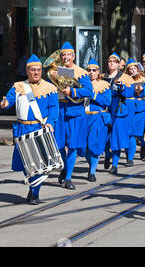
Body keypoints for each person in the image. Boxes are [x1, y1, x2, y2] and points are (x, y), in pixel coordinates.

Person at [1, 54, 59, 204]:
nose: (36, 72)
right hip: (22, 129)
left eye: (38, 70)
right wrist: (5, 103)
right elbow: (9, 100)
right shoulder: (19, 87)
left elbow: (54, 109)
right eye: (33, 70)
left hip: (39, 128)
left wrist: (51, 122)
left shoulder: (50, 88)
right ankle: (33, 188)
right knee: (26, 163)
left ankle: (35, 193)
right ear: (27, 71)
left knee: (39, 163)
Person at [54, 41, 94, 190]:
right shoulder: (56, 71)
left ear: (74, 56)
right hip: (60, 109)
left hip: (75, 110)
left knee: (72, 145)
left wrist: (73, 92)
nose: (66, 57)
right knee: (58, 145)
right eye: (63, 55)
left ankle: (69, 177)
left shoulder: (81, 72)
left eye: (68, 54)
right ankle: (64, 167)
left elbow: (90, 91)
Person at [84, 59, 111, 181]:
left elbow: (108, 101)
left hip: (97, 117)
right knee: (83, 146)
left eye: (94, 70)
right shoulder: (82, 83)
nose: (91, 72)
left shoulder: (104, 85)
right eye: (89, 70)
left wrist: (94, 96)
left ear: (98, 72)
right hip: (84, 117)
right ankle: (91, 165)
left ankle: (92, 172)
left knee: (94, 144)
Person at [126, 58, 145, 162]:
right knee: (130, 133)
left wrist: (142, 89)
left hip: (141, 109)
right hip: (129, 109)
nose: (133, 71)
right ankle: (130, 158)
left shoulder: (144, 79)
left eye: (134, 68)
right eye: (130, 69)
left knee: (140, 133)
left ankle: (144, 147)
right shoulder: (127, 80)